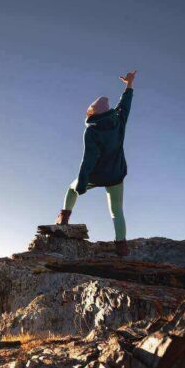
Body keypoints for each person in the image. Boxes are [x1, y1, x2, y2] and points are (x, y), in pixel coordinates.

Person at [56, 71, 136, 256]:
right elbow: (126, 104)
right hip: (115, 174)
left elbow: (88, 159)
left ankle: (63, 218)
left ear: (93, 113)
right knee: (117, 210)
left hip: (96, 175)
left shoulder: (92, 131)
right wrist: (129, 84)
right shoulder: (119, 120)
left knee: (71, 189)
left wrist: (82, 184)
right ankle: (121, 246)